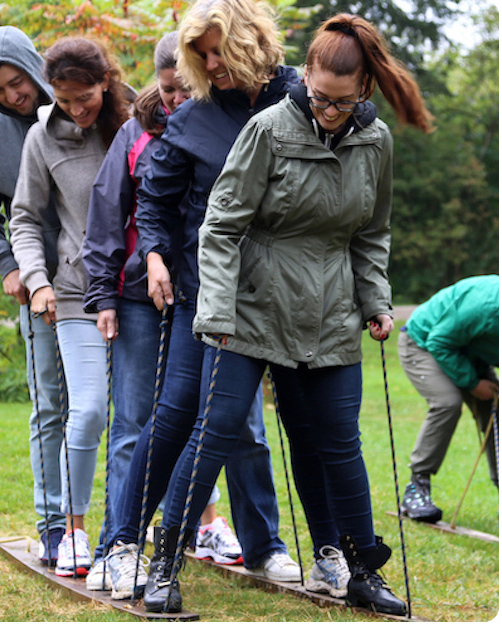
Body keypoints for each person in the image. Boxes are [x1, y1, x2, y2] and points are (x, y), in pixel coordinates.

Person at [154, 12, 436, 616]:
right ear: (304, 75)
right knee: (216, 432)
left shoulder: (375, 142)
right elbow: (221, 227)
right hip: (251, 307)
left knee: (340, 444)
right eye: (317, 98)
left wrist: (375, 300)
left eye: (341, 103)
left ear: (362, 91)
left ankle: (362, 569)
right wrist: (218, 311)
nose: (326, 112)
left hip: (330, 309)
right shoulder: (268, 130)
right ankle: (164, 563)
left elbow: (372, 232)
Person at [103, 0, 317, 607]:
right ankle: (122, 545)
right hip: (208, 290)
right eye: (201, 56)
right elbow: (156, 198)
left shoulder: (303, 97)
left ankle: (291, 548)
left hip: (289, 295)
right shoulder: (195, 116)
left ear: (252, 39)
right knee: (175, 414)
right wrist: (154, 255)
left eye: (219, 50)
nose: (211, 64)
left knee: (270, 428)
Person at [82, 31, 243, 592]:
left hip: (209, 285)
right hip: (149, 289)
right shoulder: (141, 131)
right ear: (160, 80)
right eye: (170, 88)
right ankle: (117, 544)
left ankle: (244, 536)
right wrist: (106, 291)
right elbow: (114, 216)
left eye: (184, 89)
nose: (175, 99)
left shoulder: (232, 114)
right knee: (144, 418)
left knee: (228, 424)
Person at [10, 36, 131, 577]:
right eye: (65, 100)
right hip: (77, 296)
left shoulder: (139, 122)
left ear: (105, 80)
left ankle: (165, 526)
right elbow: (25, 218)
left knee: (150, 418)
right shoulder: (43, 138)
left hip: (141, 296)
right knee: (86, 412)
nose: (77, 109)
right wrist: (37, 281)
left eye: (85, 97)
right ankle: (73, 532)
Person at [0, 25, 65, 567]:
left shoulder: (79, 106)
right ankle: (53, 526)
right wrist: (8, 263)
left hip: (101, 283)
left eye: (16, 81)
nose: (12, 95)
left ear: (33, 64)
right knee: (50, 406)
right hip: (36, 286)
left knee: (130, 406)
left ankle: (132, 523)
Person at [398, 274, 499, 523]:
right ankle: (416, 488)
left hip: (468, 352)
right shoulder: (486, 306)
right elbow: (439, 341)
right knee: (447, 403)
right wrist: (473, 383)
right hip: (423, 343)